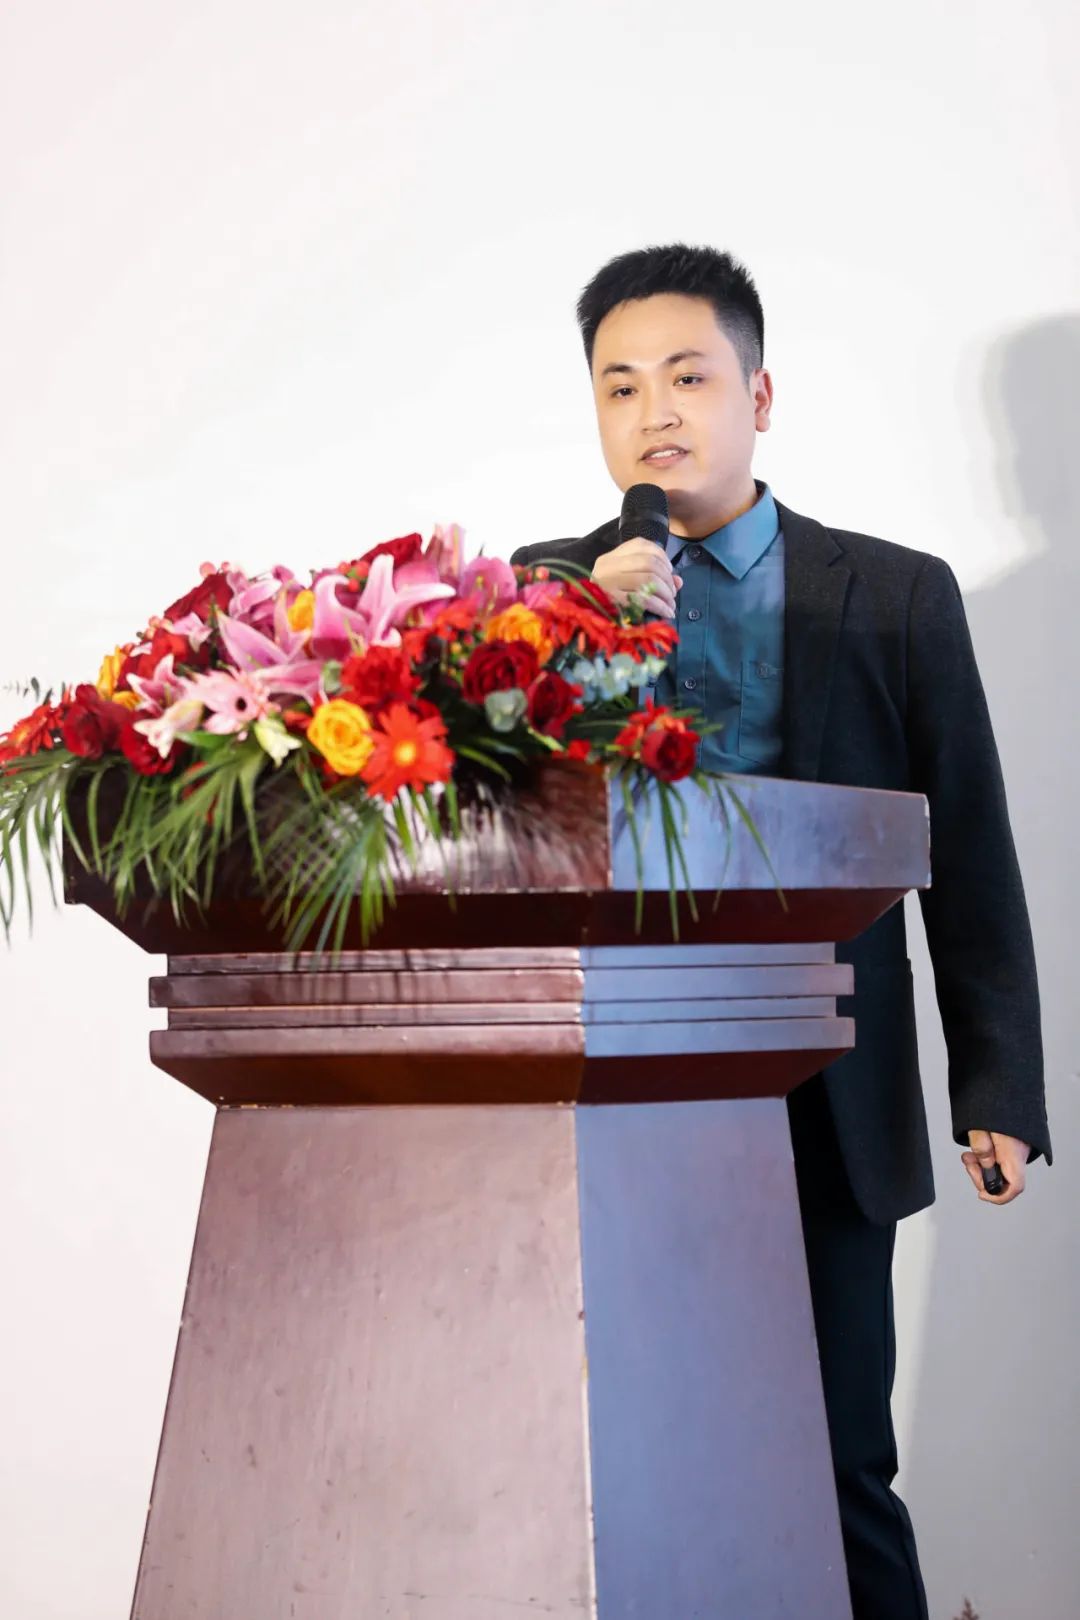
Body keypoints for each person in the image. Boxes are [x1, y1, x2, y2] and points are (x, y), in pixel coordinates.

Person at [509, 243, 1052, 1620]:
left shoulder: (895, 592)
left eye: (688, 377)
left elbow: (966, 848)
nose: (655, 412)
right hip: (615, 1083)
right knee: (627, 1461)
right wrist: (587, 647)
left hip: (826, 1082)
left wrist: (997, 1081)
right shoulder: (546, 588)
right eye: (620, 387)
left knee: (838, 1458)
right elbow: (516, 818)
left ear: (759, 394)